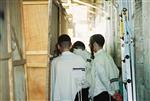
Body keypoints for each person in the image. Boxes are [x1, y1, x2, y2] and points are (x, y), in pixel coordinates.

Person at [50, 34, 86, 101]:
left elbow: (52, 84)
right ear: (71, 45)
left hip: (58, 97)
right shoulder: (79, 59)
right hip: (75, 97)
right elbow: (82, 80)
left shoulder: (54, 62)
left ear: (58, 46)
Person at [88, 34, 119, 101]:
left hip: (101, 93)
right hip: (108, 92)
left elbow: (103, 77)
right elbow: (116, 71)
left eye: (90, 44)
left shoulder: (98, 59)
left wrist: (112, 92)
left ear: (95, 44)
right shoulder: (108, 56)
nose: (89, 46)